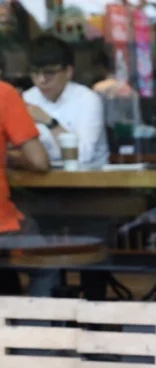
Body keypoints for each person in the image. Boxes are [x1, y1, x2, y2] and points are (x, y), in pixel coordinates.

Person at [22, 34, 109, 168]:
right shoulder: (27, 98)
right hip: (41, 175)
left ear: (68, 71)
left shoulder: (87, 99)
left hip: (89, 177)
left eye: (49, 73)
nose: (41, 80)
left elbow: (82, 156)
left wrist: (49, 122)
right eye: (35, 72)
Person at [0, 78, 51, 295]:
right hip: (2, 224)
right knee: (46, 266)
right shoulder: (4, 93)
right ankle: (35, 318)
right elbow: (39, 162)